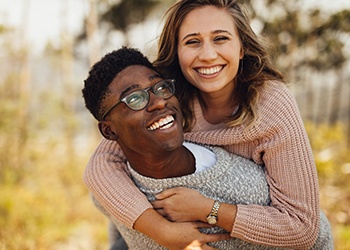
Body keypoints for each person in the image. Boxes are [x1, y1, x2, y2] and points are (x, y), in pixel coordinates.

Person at [83, 0, 333, 249]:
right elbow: (101, 166)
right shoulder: (166, 94)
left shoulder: (270, 103)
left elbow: (302, 227)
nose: (208, 55)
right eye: (192, 42)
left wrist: (208, 209)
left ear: (241, 48)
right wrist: (161, 230)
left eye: (221, 38)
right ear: (178, 52)